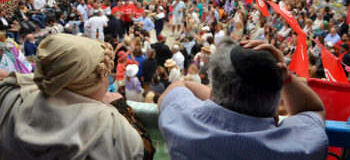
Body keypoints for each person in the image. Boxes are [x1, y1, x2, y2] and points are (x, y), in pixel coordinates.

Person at [158, 38, 328, 159]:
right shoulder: (302, 148)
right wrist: (287, 78)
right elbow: (313, 110)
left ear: (212, 95)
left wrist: (220, 96)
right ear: (276, 106)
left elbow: (180, 87)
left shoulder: (182, 125)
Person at [0, 34, 144, 159]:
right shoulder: (113, 129)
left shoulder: (10, 94)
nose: (110, 80)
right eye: (108, 76)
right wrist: (119, 108)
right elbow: (142, 152)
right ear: (88, 85)